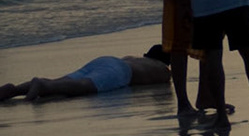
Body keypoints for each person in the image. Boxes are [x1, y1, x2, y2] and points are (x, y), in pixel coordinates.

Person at [3, 45, 174, 103]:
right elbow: (168, 80)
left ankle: (15, 89)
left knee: (64, 81)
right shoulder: (163, 70)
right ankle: (40, 85)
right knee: (83, 86)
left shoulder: (135, 58)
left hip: (106, 60)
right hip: (120, 72)